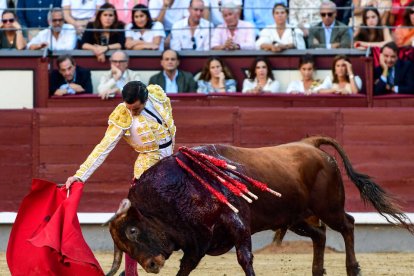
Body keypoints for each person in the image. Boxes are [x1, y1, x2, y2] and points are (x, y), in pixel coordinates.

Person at [65, 81, 176, 276]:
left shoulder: (156, 95)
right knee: (135, 224)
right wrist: (80, 175)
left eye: (136, 108)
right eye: (129, 108)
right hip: (148, 168)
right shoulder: (123, 115)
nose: (132, 112)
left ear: (145, 99)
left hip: (171, 161)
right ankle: (131, 272)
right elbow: (103, 147)